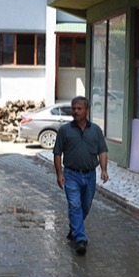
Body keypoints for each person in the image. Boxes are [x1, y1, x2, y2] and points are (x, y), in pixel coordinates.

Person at [53, 96, 109, 255]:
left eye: (79, 108)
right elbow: (57, 153)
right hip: (71, 175)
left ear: (87, 110)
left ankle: (74, 229)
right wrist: (59, 174)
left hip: (90, 176)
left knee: (85, 206)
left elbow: (103, 151)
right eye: (74, 108)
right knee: (75, 205)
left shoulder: (96, 130)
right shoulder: (65, 130)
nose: (75, 111)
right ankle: (81, 240)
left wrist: (104, 170)